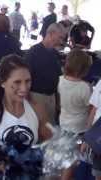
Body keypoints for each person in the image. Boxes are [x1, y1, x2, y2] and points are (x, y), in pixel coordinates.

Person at [0, 55, 52, 180]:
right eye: (17, 82)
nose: (24, 88)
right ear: (3, 82)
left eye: (28, 81)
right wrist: (7, 166)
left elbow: (49, 143)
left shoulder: (37, 108)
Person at [58, 49, 92, 180]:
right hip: (79, 130)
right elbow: (91, 109)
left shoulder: (59, 80)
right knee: (72, 160)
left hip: (63, 125)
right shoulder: (85, 87)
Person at [25, 23, 65, 124]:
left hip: (52, 97)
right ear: (50, 34)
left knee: (50, 130)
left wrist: (57, 100)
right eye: (59, 37)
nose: (61, 41)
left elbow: (58, 77)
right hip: (36, 98)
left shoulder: (55, 54)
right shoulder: (33, 52)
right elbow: (25, 78)